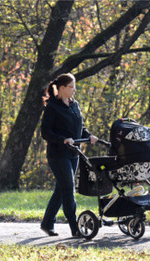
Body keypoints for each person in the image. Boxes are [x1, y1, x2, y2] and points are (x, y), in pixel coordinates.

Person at [40, 73, 98, 237]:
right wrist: (63, 139)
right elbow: (45, 132)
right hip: (58, 155)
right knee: (68, 188)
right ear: (62, 88)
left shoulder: (74, 105)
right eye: (71, 87)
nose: (74, 90)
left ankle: (47, 223)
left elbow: (80, 126)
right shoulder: (52, 107)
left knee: (61, 189)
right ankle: (74, 228)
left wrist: (89, 136)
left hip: (74, 154)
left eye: (74, 87)